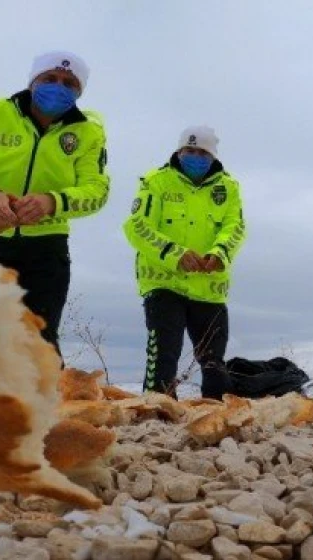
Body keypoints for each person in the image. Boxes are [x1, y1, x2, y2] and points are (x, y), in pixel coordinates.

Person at [0, 50, 110, 355]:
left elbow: (97, 191)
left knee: (38, 347)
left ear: (79, 91)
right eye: (50, 78)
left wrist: (52, 202)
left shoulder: (89, 132)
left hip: (46, 250)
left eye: (69, 83)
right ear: (32, 81)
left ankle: (37, 404)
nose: (59, 86)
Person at [123, 126, 247, 399]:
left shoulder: (228, 188)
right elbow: (137, 226)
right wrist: (175, 254)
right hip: (163, 282)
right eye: (189, 150)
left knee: (213, 360)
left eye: (202, 152)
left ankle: (214, 416)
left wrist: (220, 254)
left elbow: (235, 227)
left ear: (213, 156)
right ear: (178, 151)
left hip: (209, 287)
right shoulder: (155, 181)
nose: (194, 156)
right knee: (165, 353)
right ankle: (156, 414)